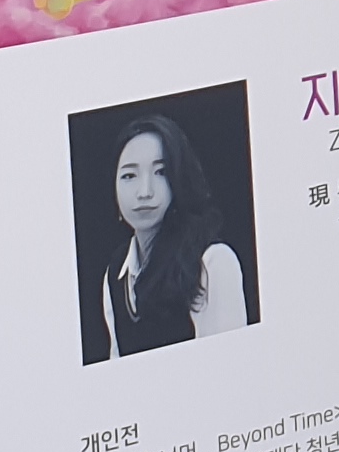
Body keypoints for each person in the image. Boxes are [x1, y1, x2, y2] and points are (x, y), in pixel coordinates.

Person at [98, 113, 251, 354]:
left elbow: (230, 364)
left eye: (161, 172)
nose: (145, 192)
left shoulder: (212, 262)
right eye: (129, 176)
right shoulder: (115, 276)